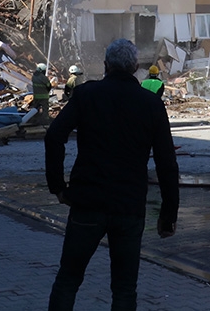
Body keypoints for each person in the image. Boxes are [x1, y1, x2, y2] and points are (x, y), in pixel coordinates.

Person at [45, 38, 180, 311]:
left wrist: (58, 187)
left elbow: (54, 136)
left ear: (106, 66)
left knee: (68, 279)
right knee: (124, 289)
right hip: (129, 207)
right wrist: (168, 215)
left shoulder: (86, 95)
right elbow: (166, 162)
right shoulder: (151, 104)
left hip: (87, 202)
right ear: (135, 68)